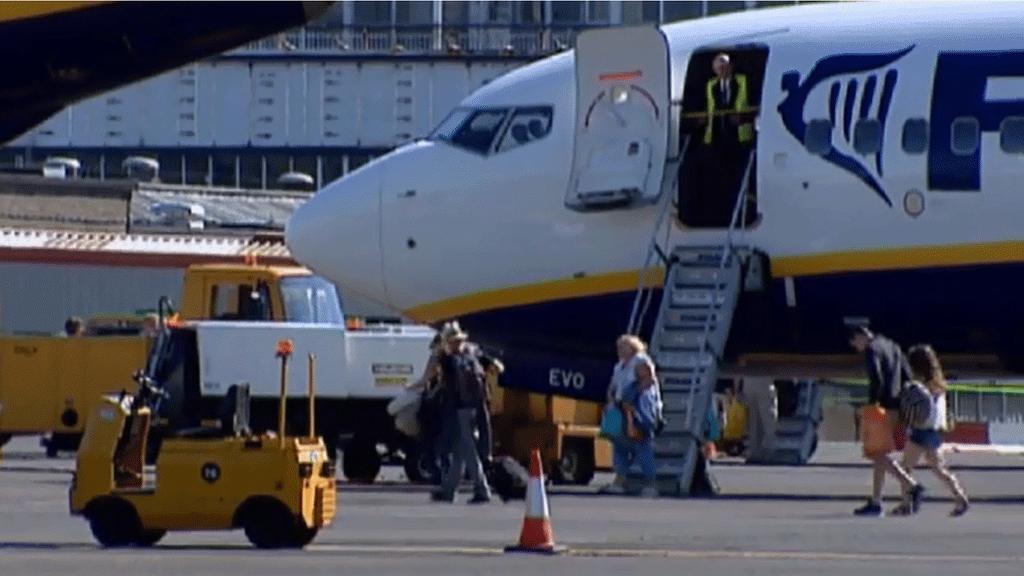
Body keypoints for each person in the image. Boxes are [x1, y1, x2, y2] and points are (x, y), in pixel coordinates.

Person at [848, 324, 922, 517]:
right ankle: (876, 501)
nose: (856, 347)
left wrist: (872, 405)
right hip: (897, 405)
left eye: (854, 342)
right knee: (880, 455)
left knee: (877, 453)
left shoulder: (872, 350)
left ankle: (911, 485)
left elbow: (877, 378)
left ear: (861, 336)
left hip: (883, 407)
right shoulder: (892, 346)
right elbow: (907, 375)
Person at [896, 345, 969, 517]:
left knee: (905, 468)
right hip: (935, 431)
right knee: (938, 468)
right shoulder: (939, 383)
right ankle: (960, 496)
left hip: (920, 430)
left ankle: (906, 503)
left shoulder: (919, 387)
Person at [432, 322, 492, 504]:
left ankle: (482, 489)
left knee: (468, 450)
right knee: (460, 450)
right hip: (475, 407)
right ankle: (449, 490)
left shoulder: (449, 359)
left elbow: (434, 368)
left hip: (460, 408)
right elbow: (494, 367)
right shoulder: (472, 354)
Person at [600, 335, 653, 492]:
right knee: (619, 445)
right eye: (618, 347)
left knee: (642, 445)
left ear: (632, 347)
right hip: (619, 408)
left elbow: (648, 381)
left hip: (636, 410)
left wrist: (632, 395)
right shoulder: (620, 366)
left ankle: (650, 483)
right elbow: (613, 385)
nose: (619, 350)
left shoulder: (640, 361)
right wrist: (610, 399)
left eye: (623, 347)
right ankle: (619, 480)